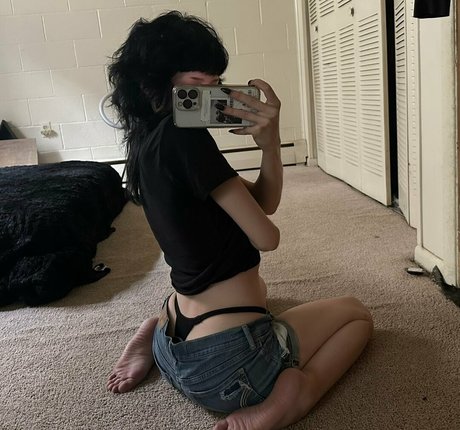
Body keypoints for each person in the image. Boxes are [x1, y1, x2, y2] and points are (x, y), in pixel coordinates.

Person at [106, 11, 373, 430]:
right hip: (228, 370)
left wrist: (270, 144)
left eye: (216, 84)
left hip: (178, 345)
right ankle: (295, 397)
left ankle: (155, 332)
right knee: (357, 315)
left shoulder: (145, 141)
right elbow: (267, 236)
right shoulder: (185, 136)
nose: (212, 96)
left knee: (259, 295)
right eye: (197, 83)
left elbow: (263, 201)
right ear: (155, 81)